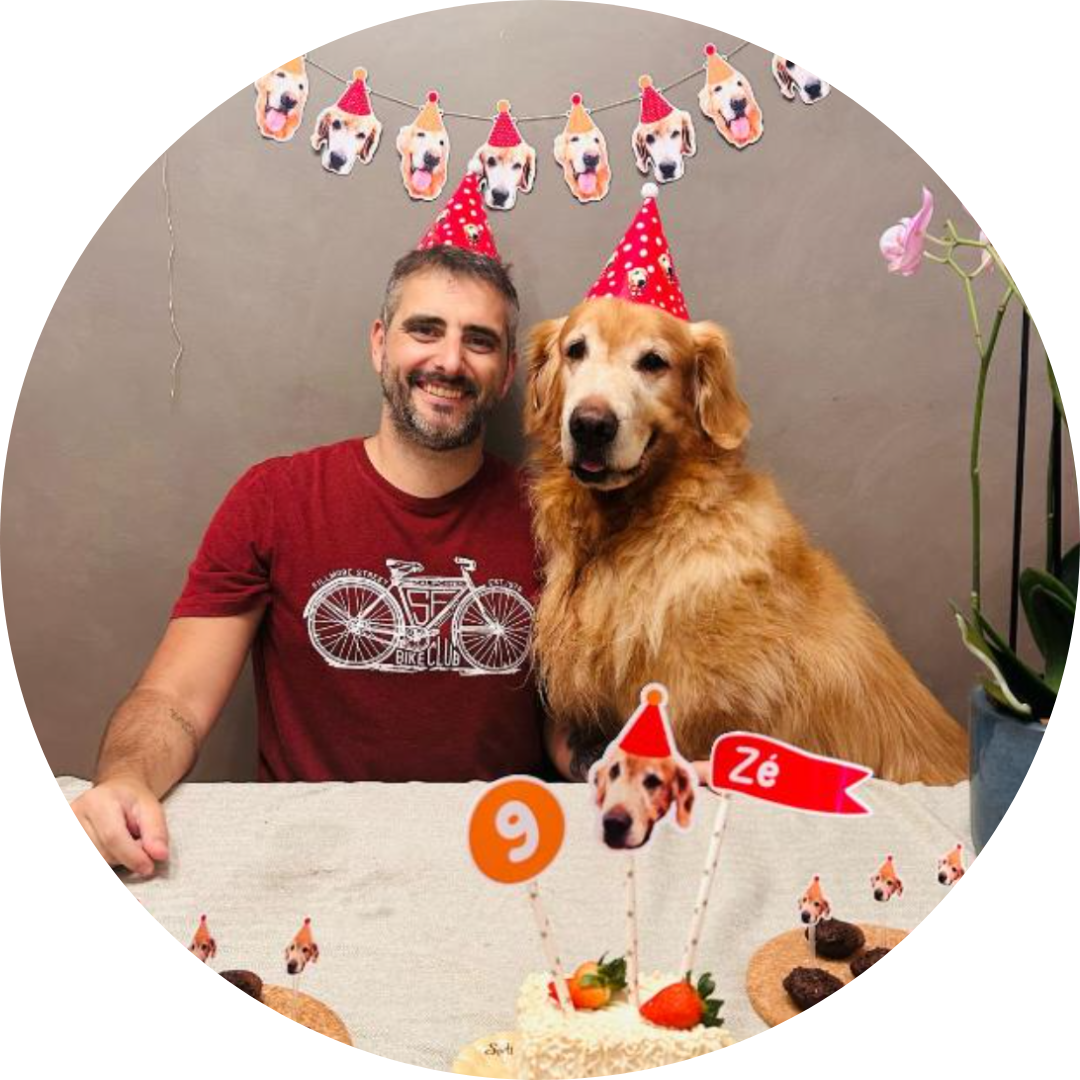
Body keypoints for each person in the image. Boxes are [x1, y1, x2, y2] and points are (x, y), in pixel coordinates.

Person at [71, 167, 572, 878]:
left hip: (496, 860)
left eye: (479, 341)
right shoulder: (275, 498)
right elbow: (174, 700)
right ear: (379, 343)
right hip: (309, 858)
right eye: (424, 330)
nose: (449, 361)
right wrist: (125, 778)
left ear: (508, 370)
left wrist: (633, 764)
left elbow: (567, 726)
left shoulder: (551, 517)